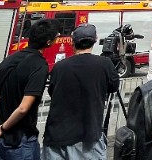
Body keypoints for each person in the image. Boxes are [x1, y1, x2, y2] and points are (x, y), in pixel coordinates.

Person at [42, 24, 119, 159]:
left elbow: (52, 92)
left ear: (73, 42)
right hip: (87, 136)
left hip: (56, 135)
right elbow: (114, 86)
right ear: (95, 40)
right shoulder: (104, 64)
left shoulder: (59, 67)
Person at [0, 19, 60, 160]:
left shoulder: (9, 59)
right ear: (49, 42)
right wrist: (2, 128)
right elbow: (23, 108)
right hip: (20, 141)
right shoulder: (40, 65)